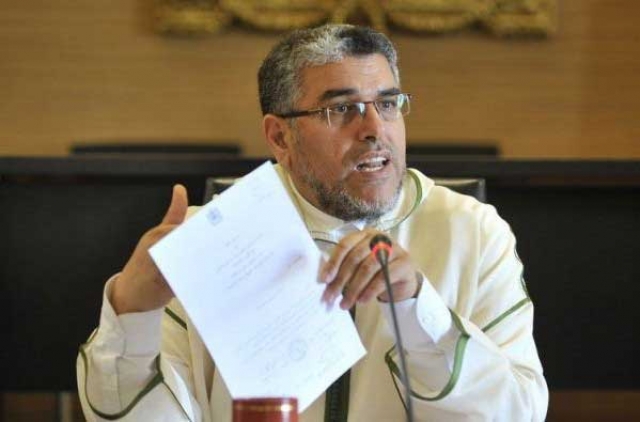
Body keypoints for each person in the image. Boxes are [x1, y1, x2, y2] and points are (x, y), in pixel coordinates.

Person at [77, 24, 548, 421]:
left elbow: (520, 412)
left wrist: (416, 307)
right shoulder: (210, 242)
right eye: (341, 109)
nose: (374, 129)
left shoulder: (471, 231)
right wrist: (133, 314)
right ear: (280, 137)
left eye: (387, 104)